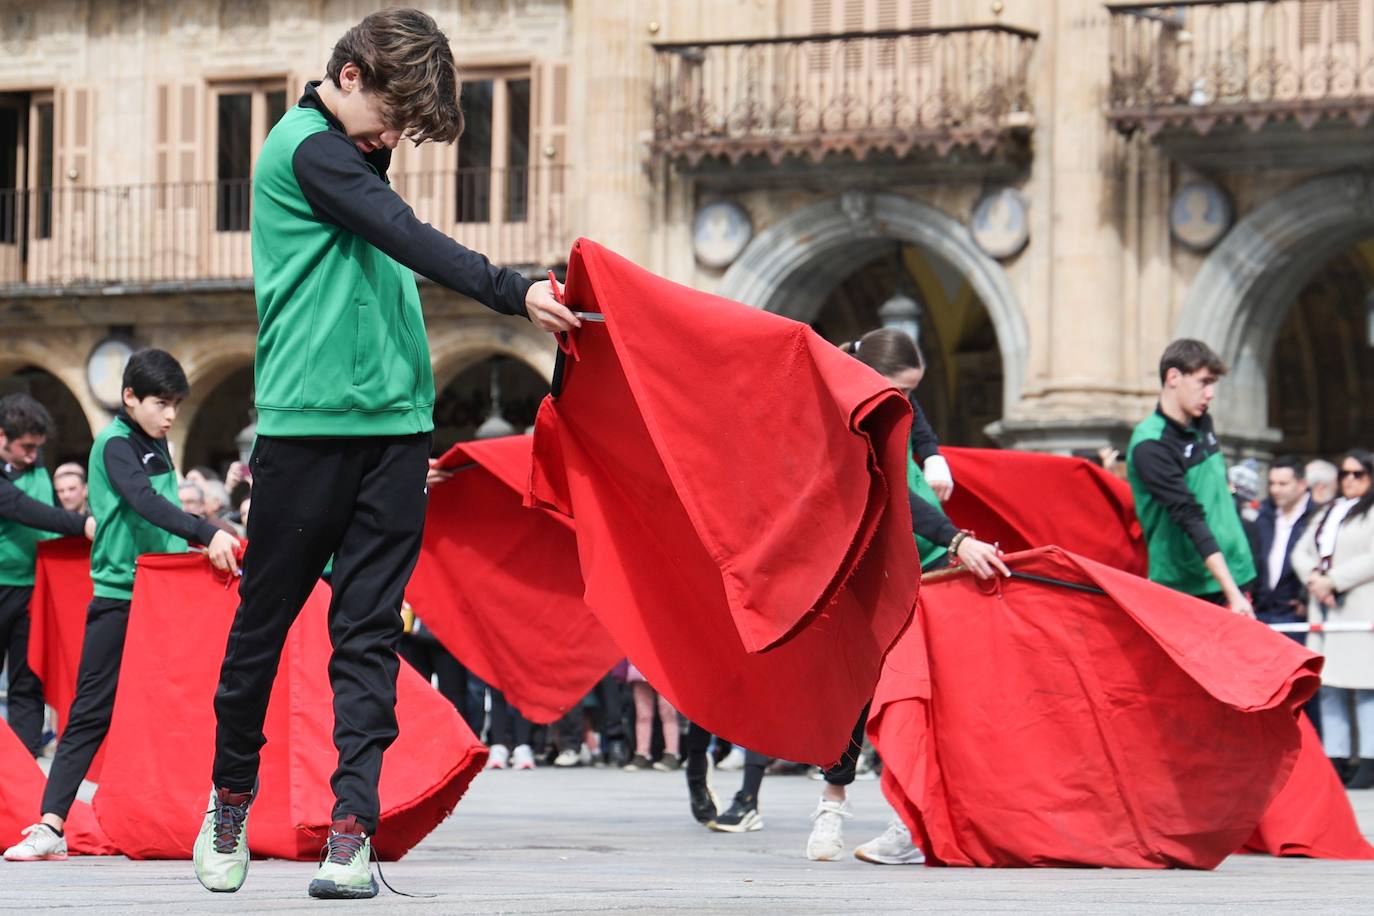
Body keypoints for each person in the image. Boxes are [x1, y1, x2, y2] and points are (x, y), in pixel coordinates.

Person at [193, 9, 578, 900]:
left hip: (396, 431)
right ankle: (229, 799)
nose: (396, 136)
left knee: (368, 634)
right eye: (394, 115)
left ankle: (351, 831)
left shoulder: (361, 149)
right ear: (353, 73)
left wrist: (416, 438)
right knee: (260, 630)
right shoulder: (306, 148)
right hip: (305, 427)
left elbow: (385, 264)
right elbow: (406, 237)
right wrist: (510, 290)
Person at [704, 329, 1008, 869]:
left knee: (920, 691)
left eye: (913, 392)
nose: (906, 402)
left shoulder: (892, 396)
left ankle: (908, 817)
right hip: (870, 560)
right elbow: (891, 491)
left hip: (924, 560)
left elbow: (913, 425)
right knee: (856, 688)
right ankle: (832, 801)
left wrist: (931, 452)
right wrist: (958, 537)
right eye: (899, 390)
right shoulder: (843, 419)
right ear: (868, 378)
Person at [3, 350, 238, 863]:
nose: (171, 414)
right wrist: (206, 531)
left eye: (176, 403)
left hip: (167, 594)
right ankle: (50, 824)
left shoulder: (157, 441)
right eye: (161, 403)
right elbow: (143, 502)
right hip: (120, 595)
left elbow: (163, 510)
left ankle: (205, 819)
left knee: (187, 707)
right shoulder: (113, 443)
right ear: (130, 398)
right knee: (90, 711)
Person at [1126, 339, 1257, 616]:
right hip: (1190, 586)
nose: (1210, 394)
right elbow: (1189, 516)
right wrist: (1231, 591)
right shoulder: (1151, 444)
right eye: (1203, 382)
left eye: (1213, 384)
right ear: (1173, 377)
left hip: (1236, 571)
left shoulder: (1202, 421)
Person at [0, 395, 93, 756]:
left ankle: (22, 769)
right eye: (26, 447)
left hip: (32, 590)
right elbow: (26, 510)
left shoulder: (34, 461)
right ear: (3, 435)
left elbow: (48, 511)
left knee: (28, 683)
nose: (31, 455)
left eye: (37, 448)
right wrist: (82, 523)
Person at [1290, 450, 1374, 789]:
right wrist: (1314, 578)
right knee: (1331, 688)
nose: (1349, 480)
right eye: (1345, 473)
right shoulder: (1329, 511)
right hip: (1324, 609)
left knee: (1367, 688)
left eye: (1357, 474)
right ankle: (1337, 757)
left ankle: (1369, 758)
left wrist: (1334, 580)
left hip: (1359, 609)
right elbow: (1302, 550)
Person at [622, 663, 680, 772]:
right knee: (643, 714)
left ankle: (671, 754)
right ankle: (642, 754)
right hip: (641, 666)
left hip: (664, 664)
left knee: (668, 712)